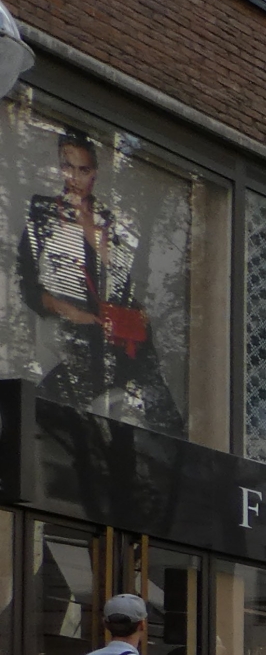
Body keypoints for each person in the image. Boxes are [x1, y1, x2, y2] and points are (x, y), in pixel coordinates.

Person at [18, 132, 183, 432]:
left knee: (122, 416)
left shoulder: (111, 221)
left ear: (95, 174)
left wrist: (90, 229)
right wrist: (67, 310)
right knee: (69, 417)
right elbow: (27, 281)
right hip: (66, 328)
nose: (74, 178)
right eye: (67, 167)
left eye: (84, 170)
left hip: (111, 336)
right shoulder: (43, 211)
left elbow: (126, 278)